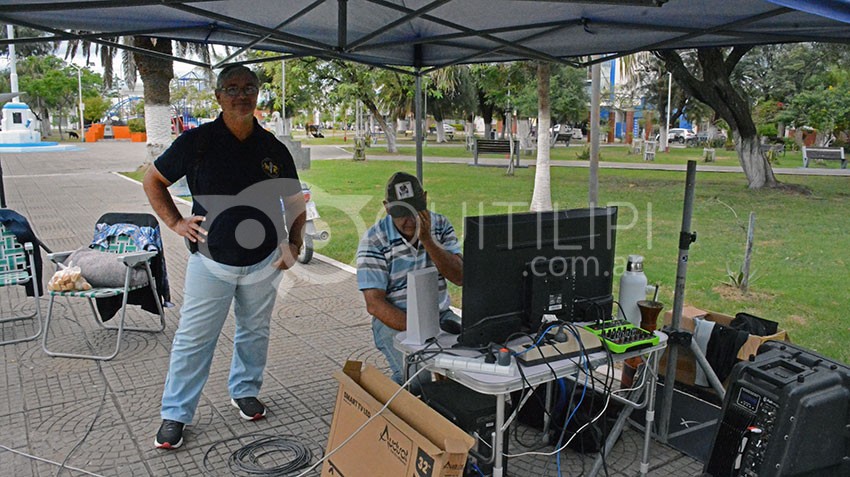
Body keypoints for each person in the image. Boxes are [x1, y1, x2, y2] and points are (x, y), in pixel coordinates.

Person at [143, 64, 305, 450]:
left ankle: (245, 391)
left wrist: (294, 244)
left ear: (257, 95)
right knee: (194, 339)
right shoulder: (197, 142)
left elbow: (295, 201)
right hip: (211, 261)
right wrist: (176, 222)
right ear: (218, 96)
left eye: (249, 88)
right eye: (231, 88)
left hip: (264, 261)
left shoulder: (273, 148)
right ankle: (175, 414)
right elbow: (153, 180)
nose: (241, 95)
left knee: (254, 330)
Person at [356, 172, 463, 389]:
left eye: (415, 210)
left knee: (469, 364)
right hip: (394, 320)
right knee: (417, 379)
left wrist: (428, 241)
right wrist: (421, 330)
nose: (410, 220)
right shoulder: (374, 239)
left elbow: (460, 277)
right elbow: (375, 304)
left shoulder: (440, 225)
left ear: (425, 197)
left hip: (440, 314)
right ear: (386, 208)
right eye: (401, 213)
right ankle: (386, 401)